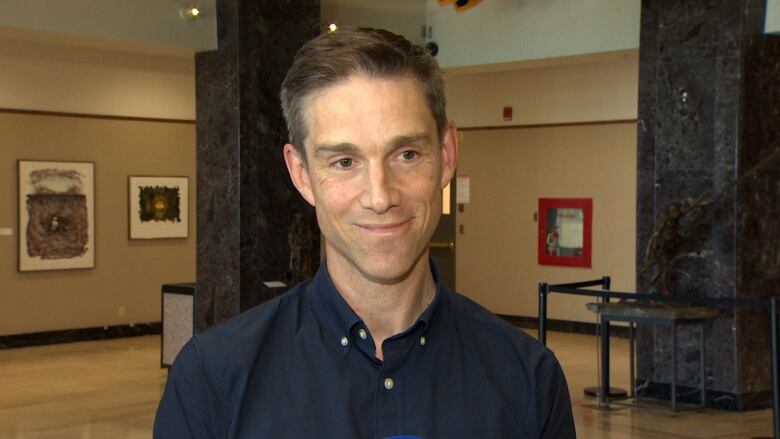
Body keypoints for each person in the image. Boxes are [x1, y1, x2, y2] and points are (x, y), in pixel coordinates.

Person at [154, 27, 575, 438]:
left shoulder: (527, 379)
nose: (380, 196)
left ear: (447, 156)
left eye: (406, 154)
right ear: (301, 174)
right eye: (343, 161)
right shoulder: (213, 380)